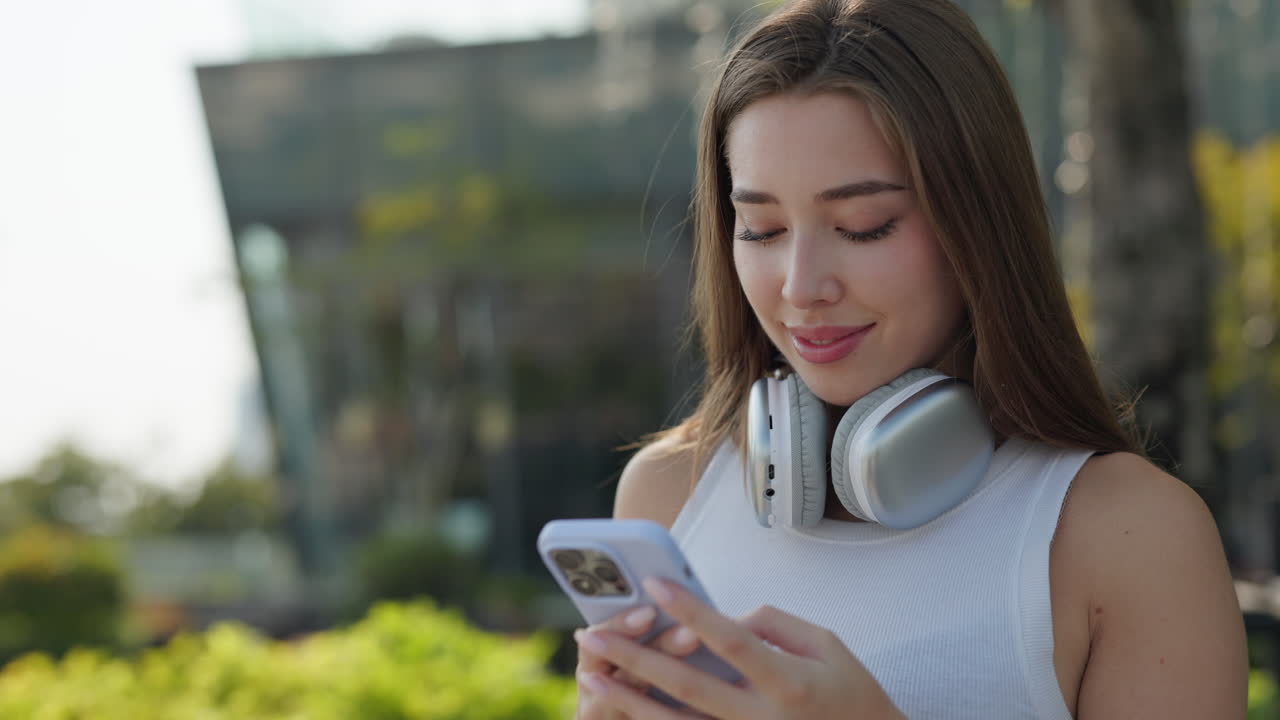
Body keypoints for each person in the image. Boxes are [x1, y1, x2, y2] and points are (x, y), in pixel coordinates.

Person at [571, 0, 1248, 717]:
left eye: (864, 227)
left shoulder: (1128, 534)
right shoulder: (668, 497)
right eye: (763, 228)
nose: (802, 287)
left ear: (977, 224)